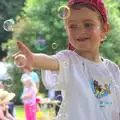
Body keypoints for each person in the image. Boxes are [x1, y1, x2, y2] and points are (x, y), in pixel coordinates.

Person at [13, 0, 120, 119]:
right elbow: (50, 61)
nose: (80, 31)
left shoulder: (113, 69)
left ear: (104, 29)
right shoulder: (69, 60)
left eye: (88, 24)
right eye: (72, 26)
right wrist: (33, 59)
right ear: (66, 30)